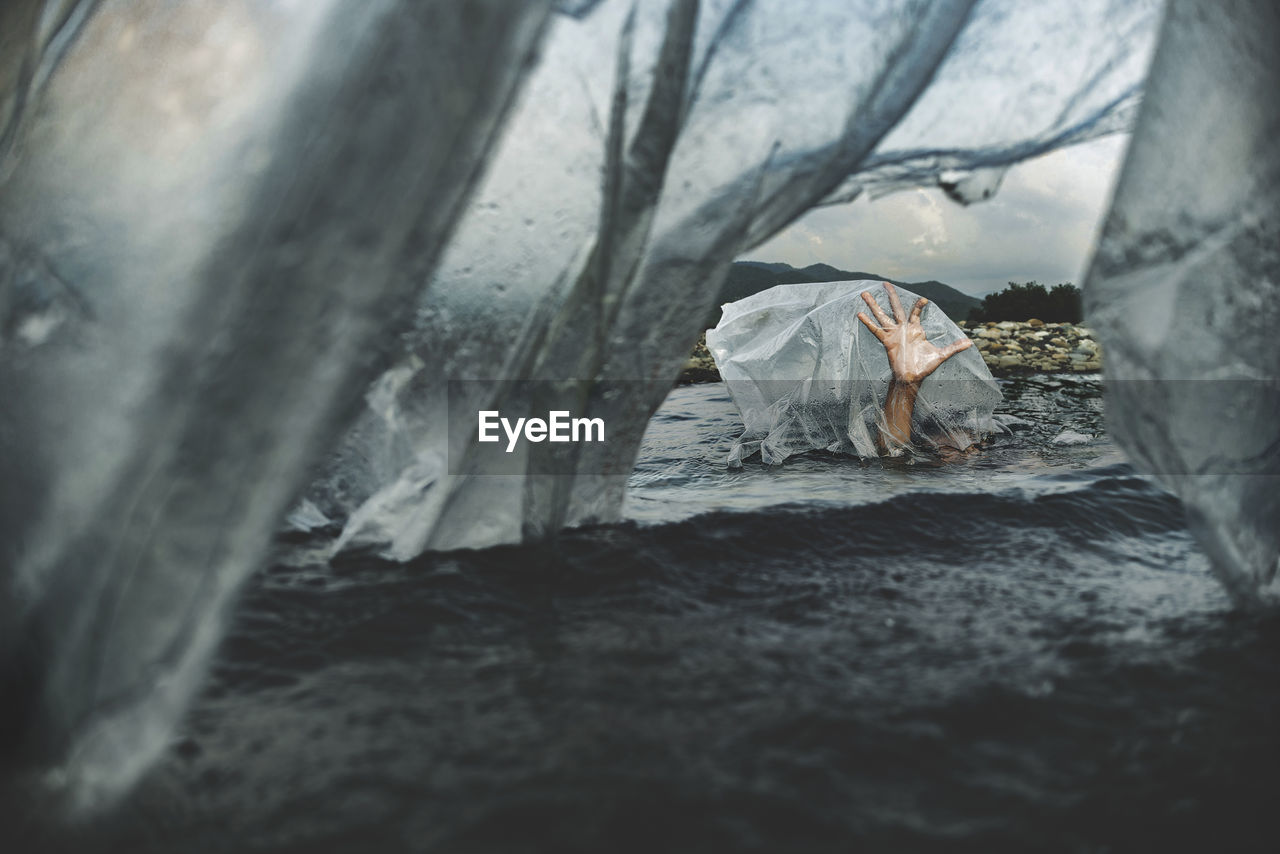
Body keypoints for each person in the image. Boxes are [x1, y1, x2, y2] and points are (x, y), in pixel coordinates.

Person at [856, 281, 975, 456]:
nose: (950, 457)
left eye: (964, 448)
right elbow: (892, 451)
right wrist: (906, 386)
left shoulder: (1001, 463)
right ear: (928, 447)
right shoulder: (926, 467)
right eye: (944, 450)